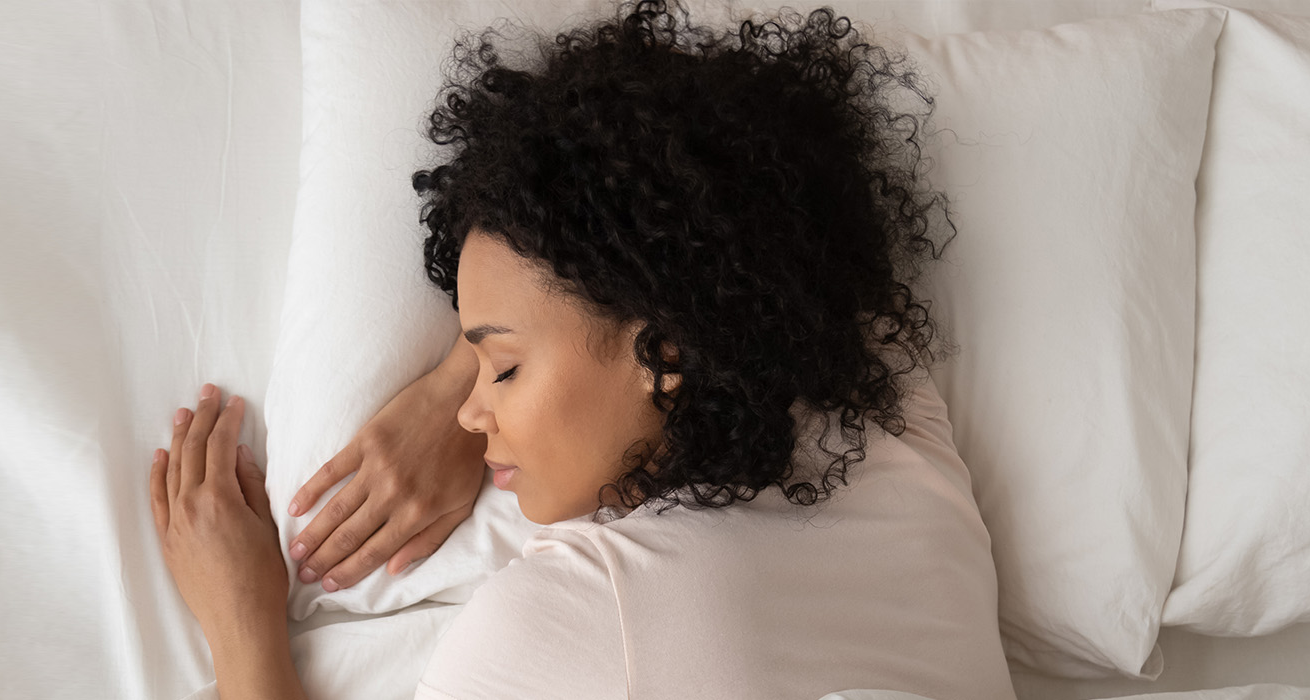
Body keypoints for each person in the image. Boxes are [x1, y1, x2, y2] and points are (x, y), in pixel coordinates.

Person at [146, 1, 1016, 697]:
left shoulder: (579, 614)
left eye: (504, 365)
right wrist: (496, 373)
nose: (467, 407)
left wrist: (242, 626)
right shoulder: (894, 414)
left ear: (666, 353)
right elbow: (706, 228)